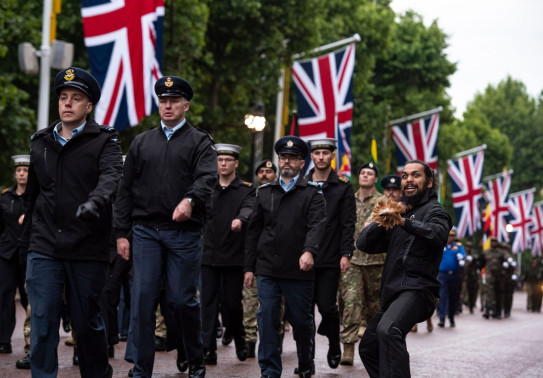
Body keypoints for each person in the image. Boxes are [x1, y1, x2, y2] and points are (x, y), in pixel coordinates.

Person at [114, 75, 217, 378]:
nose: (168, 105)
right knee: (143, 300)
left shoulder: (200, 141)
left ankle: (194, 358)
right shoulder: (142, 142)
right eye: (163, 101)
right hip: (146, 232)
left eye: (174, 101)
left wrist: (190, 200)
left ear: (186, 105)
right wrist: (121, 232)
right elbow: (125, 190)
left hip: (183, 234)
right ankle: (141, 369)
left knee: (182, 301)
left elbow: (207, 178)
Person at [22, 67, 123, 377]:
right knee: (42, 320)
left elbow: (112, 176)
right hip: (45, 244)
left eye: (76, 99)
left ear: (88, 106)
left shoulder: (104, 140)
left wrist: (96, 201)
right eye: (63, 98)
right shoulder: (40, 142)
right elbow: (34, 194)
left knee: (87, 324)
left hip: (87, 245)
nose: (67, 103)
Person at [357, 160, 452, 377]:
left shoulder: (436, 211)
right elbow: (363, 245)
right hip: (392, 294)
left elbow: (437, 235)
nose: (408, 179)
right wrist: (380, 221)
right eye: (405, 175)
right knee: (369, 347)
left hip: (418, 291)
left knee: (389, 331)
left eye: (415, 175)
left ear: (429, 183)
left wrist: (404, 222)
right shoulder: (398, 212)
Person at [244, 135, 326, 378]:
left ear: (303, 163)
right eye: (283, 157)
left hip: (299, 269)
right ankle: (269, 371)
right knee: (267, 319)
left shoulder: (312, 193)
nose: (287, 162)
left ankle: (305, 362)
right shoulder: (265, 191)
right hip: (268, 268)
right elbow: (253, 231)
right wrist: (249, 267)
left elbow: (317, 225)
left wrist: (309, 251)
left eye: (292, 158)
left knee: (301, 322)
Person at [304, 138, 355, 372]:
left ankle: (334, 343)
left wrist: (346, 253)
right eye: (317, 153)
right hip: (303, 258)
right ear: (312, 157)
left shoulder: (342, 186)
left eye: (325, 153)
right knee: (302, 313)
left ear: (332, 156)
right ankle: (307, 359)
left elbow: (347, 224)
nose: (321, 157)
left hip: (329, 257)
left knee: (326, 307)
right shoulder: (301, 184)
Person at [201, 143, 255, 365]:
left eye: (227, 160)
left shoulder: (245, 189)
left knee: (232, 304)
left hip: (233, 256)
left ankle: (240, 337)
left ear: (236, 163)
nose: (223, 164)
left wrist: (240, 219)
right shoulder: (206, 187)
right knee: (208, 304)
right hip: (209, 254)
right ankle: (208, 349)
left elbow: (249, 208)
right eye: (219, 160)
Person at [339, 162, 385, 366]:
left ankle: (376, 347)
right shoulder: (348, 199)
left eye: (370, 174)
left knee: (375, 309)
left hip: (376, 262)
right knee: (351, 302)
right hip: (353, 260)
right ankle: (348, 347)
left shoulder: (383, 201)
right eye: (363, 173)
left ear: (375, 179)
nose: (365, 176)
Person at [0, 155, 30, 356]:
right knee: (4, 296)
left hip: (28, 252)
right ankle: (3, 340)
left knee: (30, 297)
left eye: (26, 170)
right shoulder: (5, 197)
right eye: (18, 171)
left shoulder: (35, 198)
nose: (21, 174)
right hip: (7, 253)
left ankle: (31, 340)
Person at [437, 227, 465, 327]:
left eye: (452, 236)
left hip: (454, 274)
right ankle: (441, 318)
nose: (450, 238)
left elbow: (463, 254)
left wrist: (462, 258)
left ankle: (451, 318)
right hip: (443, 275)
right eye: (449, 236)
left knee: (453, 297)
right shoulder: (441, 245)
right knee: (443, 296)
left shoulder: (458, 246)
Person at [482, 238, 506, 319]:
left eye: (495, 241)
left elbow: (507, 258)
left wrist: (508, 262)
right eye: (492, 241)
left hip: (499, 277)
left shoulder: (501, 253)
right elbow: (481, 262)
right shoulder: (486, 252)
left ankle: (498, 311)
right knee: (489, 293)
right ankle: (487, 310)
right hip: (489, 276)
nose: (494, 243)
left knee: (498, 294)